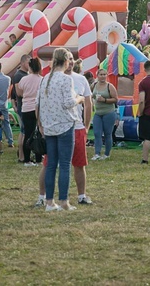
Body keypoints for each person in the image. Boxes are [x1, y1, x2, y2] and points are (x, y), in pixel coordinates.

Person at [36, 47, 83, 211]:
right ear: (66, 61)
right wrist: (79, 99)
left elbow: (38, 103)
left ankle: (49, 202)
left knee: (51, 165)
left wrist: (41, 123)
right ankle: (64, 201)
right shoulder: (65, 79)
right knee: (64, 165)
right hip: (64, 125)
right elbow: (68, 103)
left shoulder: (45, 79)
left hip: (49, 126)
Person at [66, 58, 94, 205]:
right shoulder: (51, 78)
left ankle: (81, 195)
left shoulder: (81, 79)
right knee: (50, 164)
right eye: (67, 59)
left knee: (79, 163)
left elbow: (89, 103)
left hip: (77, 127)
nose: (70, 62)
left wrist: (86, 125)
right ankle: (44, 197)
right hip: (59, 128)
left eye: (71, 59)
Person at [17, 58, 43, 166]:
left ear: (30, 67)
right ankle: (38, 158)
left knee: (27, 134)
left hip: (26, 108)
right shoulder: (42, 79)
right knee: (39, 133)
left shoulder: (24, 79)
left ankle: (26, 159)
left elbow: (19, 92)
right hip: (38, 108)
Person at [91, 68, 118, 160]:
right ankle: (97, 153)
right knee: (97, 133)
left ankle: (106, 154)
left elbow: (115, 99)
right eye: (101, 74)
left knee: (107, 133)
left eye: (104, 74)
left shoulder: (110, 86)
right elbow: (90, 95)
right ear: (97, 76)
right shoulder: (93, 85)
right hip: (98, 113)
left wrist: (105, 100)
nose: (102, 76)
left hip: (108, 112)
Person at [12, 54, 30, 163]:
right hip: (23, 107)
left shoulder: (25, 74)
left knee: (25, 131)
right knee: (23, 132)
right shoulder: (19, 75)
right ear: (23, 63)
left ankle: (24, 154)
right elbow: (18, 92)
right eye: (28, 62)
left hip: (25, 106)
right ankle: (21, 155)